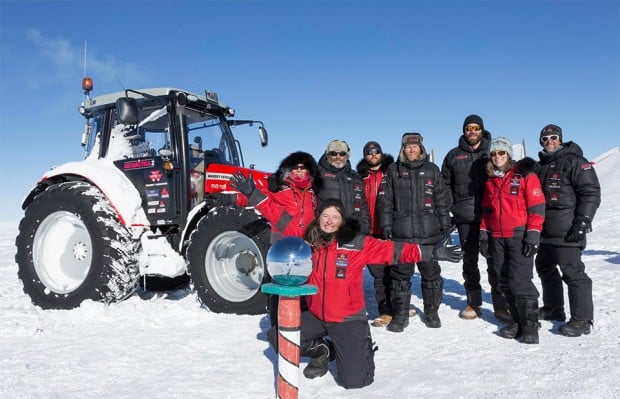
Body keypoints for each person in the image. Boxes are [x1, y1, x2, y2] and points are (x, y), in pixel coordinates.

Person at [268, 198, 462, 389]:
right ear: (318, 218)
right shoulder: (310, 243)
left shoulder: (356, 243)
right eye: (325, 216)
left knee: (355, 382)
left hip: (347, 319)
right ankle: (323, 349)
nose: (329, 221)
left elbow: (393, 250)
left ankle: (362, 345)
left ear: (342, 220)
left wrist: (431, 253)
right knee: (277, 336)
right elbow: (282, 220)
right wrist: (254, 197)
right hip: (317, 315)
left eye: (335, 216)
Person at [229, 151, 322, 324]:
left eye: (303, 168)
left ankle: (301, 325)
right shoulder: (278, 188)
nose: (299, 171)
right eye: (295, 168)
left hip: (305, 249)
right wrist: (231, 199)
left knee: (303, 287)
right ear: (288, 170)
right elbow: (252, 197)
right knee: (279, 288)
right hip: (282, 247)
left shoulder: (313, 192)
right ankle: (276, 325)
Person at [379, 133, 452, 331]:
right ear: (403, 149)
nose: (411, 149)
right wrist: (386, 226)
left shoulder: (432, 170)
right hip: (402, 234)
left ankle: (431, 312)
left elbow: (442, 201)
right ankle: (401, 315)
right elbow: (385, 201)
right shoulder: (394, 171)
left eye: (415, 146)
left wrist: (445, 226)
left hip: (429, 234)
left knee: (431, 275)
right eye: (407, 147)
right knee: (400, 277)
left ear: (421, 148)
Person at [441, 114, 510, 322]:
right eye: (468, 128)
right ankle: (474, 302)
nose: (472, 131)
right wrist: (453, 206)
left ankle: (500, 305)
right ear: (464, 131)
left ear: (482, 130)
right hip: (465, 218)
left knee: (495, 261)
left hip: (492, 216)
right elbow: (444, 185)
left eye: (476, 127)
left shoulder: (493, 152)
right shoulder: (453, 156)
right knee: (470, 262)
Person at [534, 124, 601, 337]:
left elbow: (590, 193)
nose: (549, 141)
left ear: (560, 139)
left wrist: (582, 222)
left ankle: (582, 319)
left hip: (568, 231)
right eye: (545, 138)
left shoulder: (575, 162)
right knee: (544, 267)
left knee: (572, 273)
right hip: (544, 231)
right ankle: (554, 309)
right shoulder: (539, 166)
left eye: (554, 137)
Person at [480, 137, 545, 344]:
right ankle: (516, 321)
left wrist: (533, 233)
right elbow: (485, 211)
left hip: (518, 236)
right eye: (494, 153)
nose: (497, 157)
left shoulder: (525, 175)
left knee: (520, 281)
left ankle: (530, 327)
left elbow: (536, 207)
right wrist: (483, 233)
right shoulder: (490, 180)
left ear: (508, 154)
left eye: (502, 153)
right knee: (502, 279)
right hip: (496, 237)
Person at [355, 141, 397, 327]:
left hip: (391, 229)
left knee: (395, 271)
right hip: (369, 231)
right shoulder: (359, 177)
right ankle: (385, 310)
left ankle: (397, 306)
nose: (373, 155)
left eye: (376, 151)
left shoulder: (392, 172)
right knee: (378, 273)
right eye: (369, 152)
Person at [317, 140, 371, 234]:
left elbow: (362, 205)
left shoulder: (356, 177)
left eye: (342, 154)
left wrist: (365, 227)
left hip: (352, 231)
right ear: (327, 155)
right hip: (327, 230)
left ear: (347, 155)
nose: (338, 157)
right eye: (334, 153)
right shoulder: (317, 174)